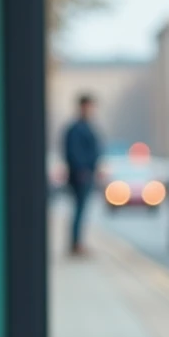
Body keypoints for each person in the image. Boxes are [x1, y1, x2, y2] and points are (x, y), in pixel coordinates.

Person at [63, 93, 102, 255]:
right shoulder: (76, 129)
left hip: (86, 173)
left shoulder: (85, 126)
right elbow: (73, 152)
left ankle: (78, 242)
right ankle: (76, 244)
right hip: (81, 175)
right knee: (79, 210)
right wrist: (81, 170)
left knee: (81, 210)